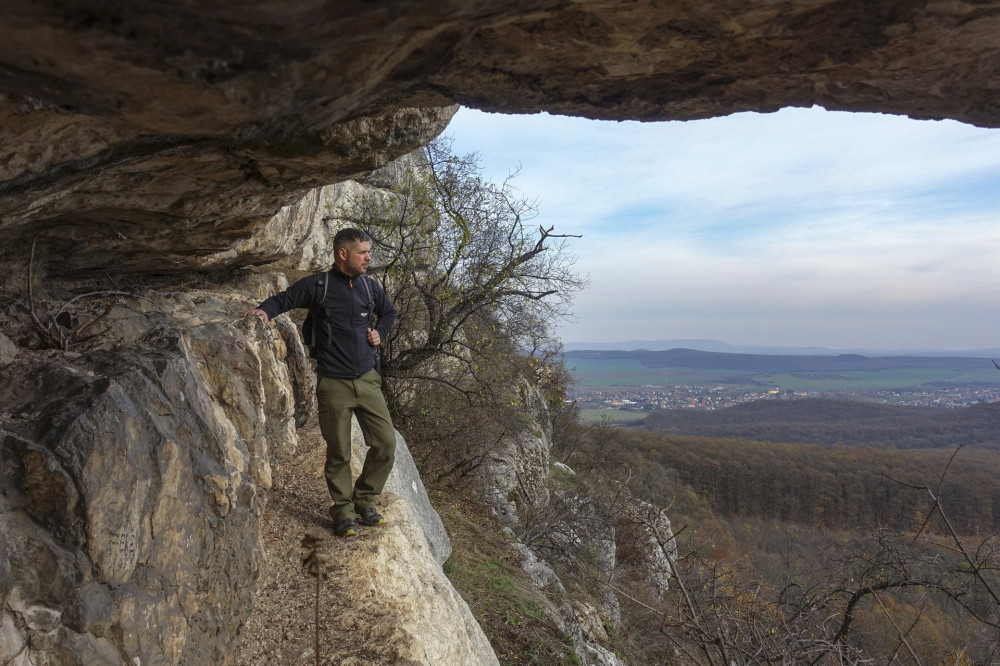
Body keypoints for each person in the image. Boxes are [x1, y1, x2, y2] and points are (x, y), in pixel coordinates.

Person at [245, 228, 397, 537]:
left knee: (385, 443)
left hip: (368, 379)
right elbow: (284, 299)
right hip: (334, 383)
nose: (369, 257)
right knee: (339, 451)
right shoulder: (320, 285)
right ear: (343, 254)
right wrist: (264, 311)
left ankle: (365, 501)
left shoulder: (370, 288)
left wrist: (380, 331)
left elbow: (390, 313)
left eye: (369, 251)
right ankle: (343, 512)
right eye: (362, 252)